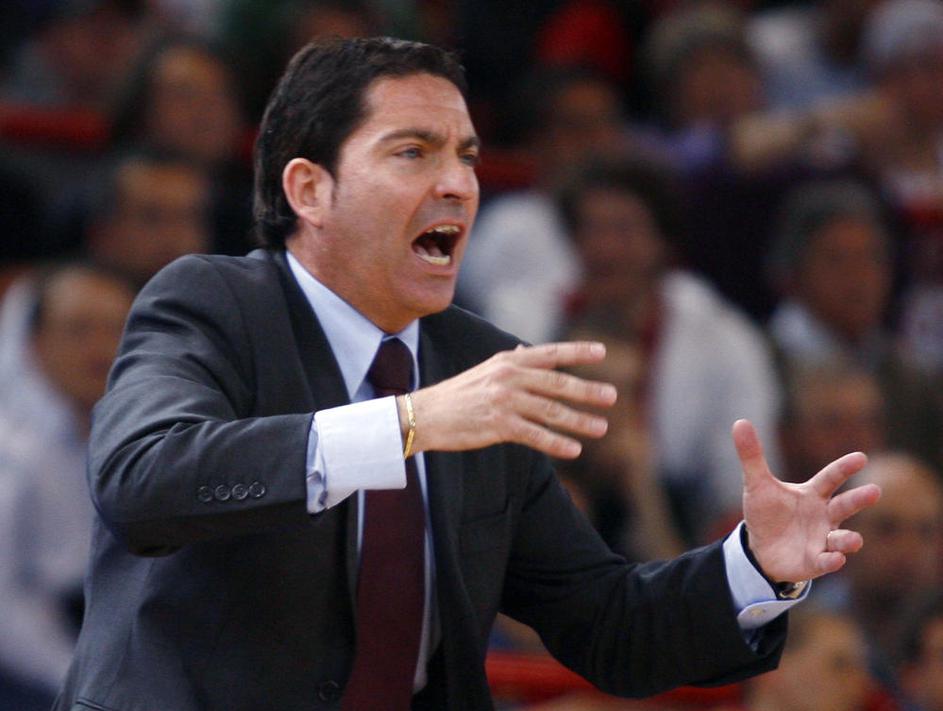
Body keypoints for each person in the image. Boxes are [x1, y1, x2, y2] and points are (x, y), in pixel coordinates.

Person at [54, 37, 881, 711]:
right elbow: (141, 481)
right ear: (309, 188)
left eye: (466, 156)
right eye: (412, 152)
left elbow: (607, 624)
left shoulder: (479, 367)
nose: (456, 183)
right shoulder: (213, 304)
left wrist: (754, 565)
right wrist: (407, 423)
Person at [0, 261, 135, 711]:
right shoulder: (11, 450)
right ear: (35, 344)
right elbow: (4, 604)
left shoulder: (136, 437)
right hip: (31, 667)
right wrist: (81, 685)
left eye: (117, 330)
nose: (101, 349)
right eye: (79, 330)